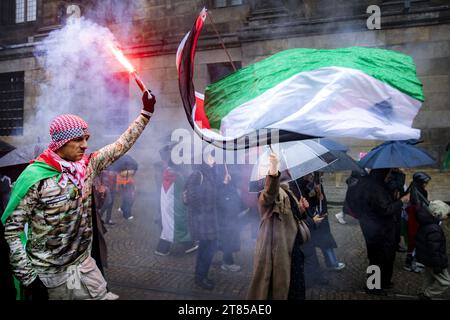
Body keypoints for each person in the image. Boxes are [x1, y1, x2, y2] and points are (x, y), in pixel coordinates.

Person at [2, 91, 156, 300]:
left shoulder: (87, 166)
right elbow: (12, 231)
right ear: (59, 143)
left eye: (86, 138)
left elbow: (120, 145)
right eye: (77, 139)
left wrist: (145, 113)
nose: (84, 144)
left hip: (82, 267)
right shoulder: (36, 177)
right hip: (49, 276)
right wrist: (29, 278)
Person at [247, 152, 323, 300]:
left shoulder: (287, 190)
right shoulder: (265, 193)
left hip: (292, 250)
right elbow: (270, 194)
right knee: (281, 291)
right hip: (278, 254)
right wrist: (274, 167)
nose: (288, 168)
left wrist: (300, 209)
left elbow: (291, 219)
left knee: (295, 289)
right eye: (284, 166)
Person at [359, 168, 410, 295]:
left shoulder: (378, 185)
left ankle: (384, 282)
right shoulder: (375, 188)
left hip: (382, 228)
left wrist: (393, 196)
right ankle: (372, 286)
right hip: (376, 230)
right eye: (388, 173)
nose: (389, 176)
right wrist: (401, 201)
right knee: (377, 258)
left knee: (386, 256)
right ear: (382, 173)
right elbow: (386, 209)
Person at [184, 152, 221, 290]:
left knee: (206, 248)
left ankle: (201, 276)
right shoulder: (197, 174)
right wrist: (205, 210)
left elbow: (212, 193)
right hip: (202, 220)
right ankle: (200, 277)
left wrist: (223, 183)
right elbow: (192, 197)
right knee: (209, 248)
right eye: (211, 157)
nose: (214, 160)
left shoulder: (209, 173)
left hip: (209, 219)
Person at [155, 158, 197, 256]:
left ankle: (162, 249)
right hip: (174, 208)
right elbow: (183, 192)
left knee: (168, 229)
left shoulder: (167, 172)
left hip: (168, 206)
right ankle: (189, 246)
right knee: (177, 228)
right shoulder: (176, 178)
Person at [416, 200, 450, 299]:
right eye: (446, 214)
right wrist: (438, 265)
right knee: (446, 282)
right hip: (433, 261)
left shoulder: (427, 222)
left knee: (429, 278)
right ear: (437, 214)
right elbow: (434, 250)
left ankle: (424, 293)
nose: (447, 216)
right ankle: (427, 294)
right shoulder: (434, 229)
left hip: (427, 259)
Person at [404, 172, 431, 273]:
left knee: (416, 242)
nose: (425, 184)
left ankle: (413, 262)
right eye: (424, 182)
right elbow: (418, 208)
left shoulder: (417, 190)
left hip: (416, 219)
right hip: (415, 221)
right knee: (414, 242)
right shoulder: (416, 193)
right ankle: (409, 264)